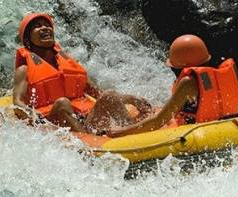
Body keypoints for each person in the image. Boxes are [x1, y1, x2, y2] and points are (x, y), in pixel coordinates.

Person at [12, 13, 152, 134]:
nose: (44, 28)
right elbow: (17, 102)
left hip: (84, 120)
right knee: (62, 103)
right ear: (28, 39)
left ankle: (130, 131)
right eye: (37, 26)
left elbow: (98, 94)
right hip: (53, 124)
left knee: (109, 95)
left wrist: (129, 99)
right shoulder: (24, 69)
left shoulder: (69, 64)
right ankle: (88, 143)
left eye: (47, 25)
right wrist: (37, 120)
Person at [107, 34, 238, 137]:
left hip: (195, 133)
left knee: (126, 109)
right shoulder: (216, 75)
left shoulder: (188, 82)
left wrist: (120, 133)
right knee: (151, 110)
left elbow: (158, 121)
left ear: (180, 67)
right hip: (225, 127)